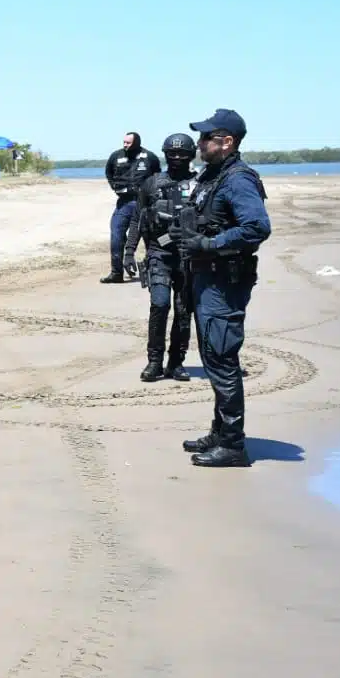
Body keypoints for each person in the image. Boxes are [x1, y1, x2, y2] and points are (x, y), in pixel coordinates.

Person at [170, 109, 270, 467]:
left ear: (227, 142)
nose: (199, 144)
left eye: (205, 138)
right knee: (213, 356)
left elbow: (257, 228)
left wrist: (208, 245)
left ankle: (233, 444)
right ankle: (220, 432)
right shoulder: (214, 176)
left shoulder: (238, 179)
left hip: (223, 281)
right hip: (205, 277)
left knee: (222, 357)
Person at [124, 133, 199, 382]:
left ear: (191, 155)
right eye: (172, 153)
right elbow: (137, 219)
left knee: (183, 310)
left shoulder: (200, 184)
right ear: (165, 154)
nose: (177, 158)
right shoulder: (151, 183)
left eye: (183, 154)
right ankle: (154, 362)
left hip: (189, 256)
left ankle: (176, 363)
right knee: (159, 305)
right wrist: (128, 251)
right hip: (158, 253)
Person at [102, 132, 160, 283]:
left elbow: (158, 176)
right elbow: (108, 172)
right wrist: (114, 187)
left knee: (150, 237)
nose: (125, 145)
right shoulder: (116, 156)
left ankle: (153, 270)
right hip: (124, 203)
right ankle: (116, 272)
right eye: (124, 142)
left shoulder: (150, 157)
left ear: (136, 143)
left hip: (145, 204)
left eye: (128, 142)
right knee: (116, 234)